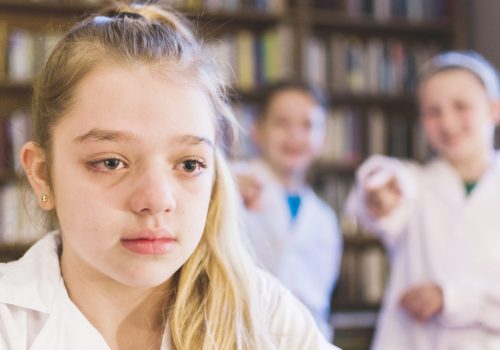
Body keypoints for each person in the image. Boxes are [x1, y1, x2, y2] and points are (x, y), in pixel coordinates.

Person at [0, 2, 340, 349]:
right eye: (111, 162)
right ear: (41, 174)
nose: (158, 200)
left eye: (189, 164)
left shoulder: (268, 317)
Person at [346, 51, 500, 349]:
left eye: (461, 106)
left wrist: (450, 299)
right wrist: (379, 194)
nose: (448, 122)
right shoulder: (413, 184)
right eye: (433, 111)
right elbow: (372, 204)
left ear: (494, 109)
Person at [234, 81, 343, 341]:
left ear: (323, 138)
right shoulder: (230, 182)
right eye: (282, 123)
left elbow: (319, 304)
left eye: (307, 125)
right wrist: (224, 187)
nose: (294, 136)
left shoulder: (324, 218)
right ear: (257, 131)